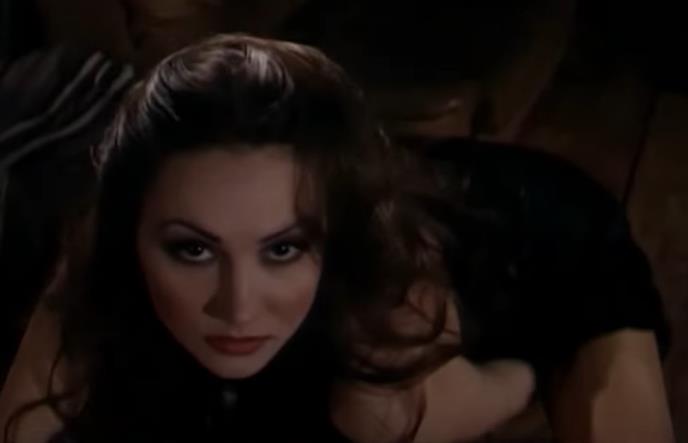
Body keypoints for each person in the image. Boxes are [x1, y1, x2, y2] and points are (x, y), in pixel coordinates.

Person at [0, 34, 673, 443]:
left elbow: (499, 389)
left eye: (282, 249)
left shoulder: (383, 332)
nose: (237, 307)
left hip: (539, 241)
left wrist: (534, 374)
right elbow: (21, 424)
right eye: (193, 250)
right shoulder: (90, 275)